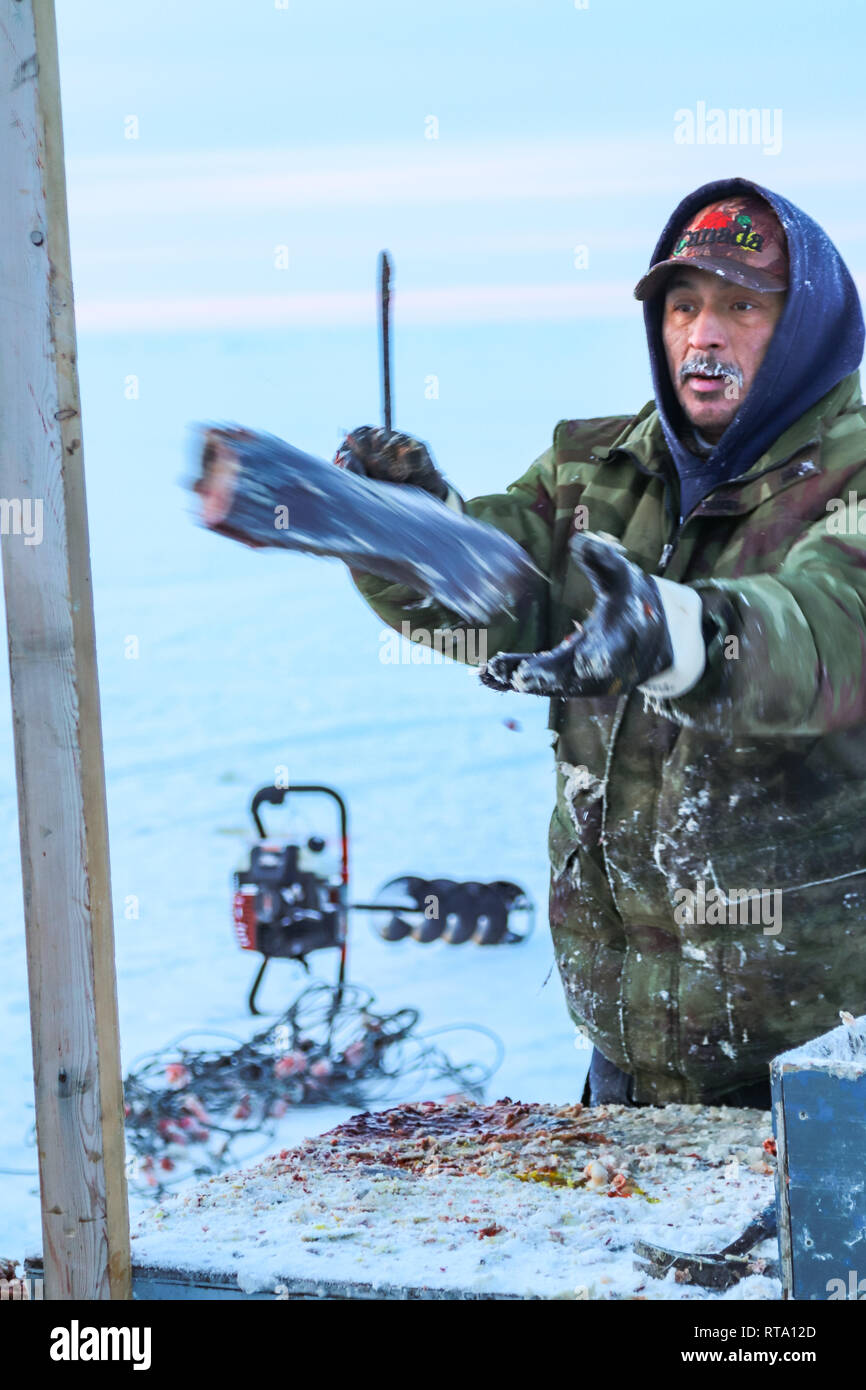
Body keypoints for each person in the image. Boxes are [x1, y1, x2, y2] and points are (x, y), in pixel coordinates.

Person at [337, 176, 866, 1109]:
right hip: (627, 1052)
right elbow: (501, 595)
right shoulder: (600, 468)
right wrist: (407, 529)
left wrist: (676, 637)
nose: (703, 335)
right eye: (684, 305)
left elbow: (825, 639)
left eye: (742, 306)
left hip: (825, 1068)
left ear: (807, 327)